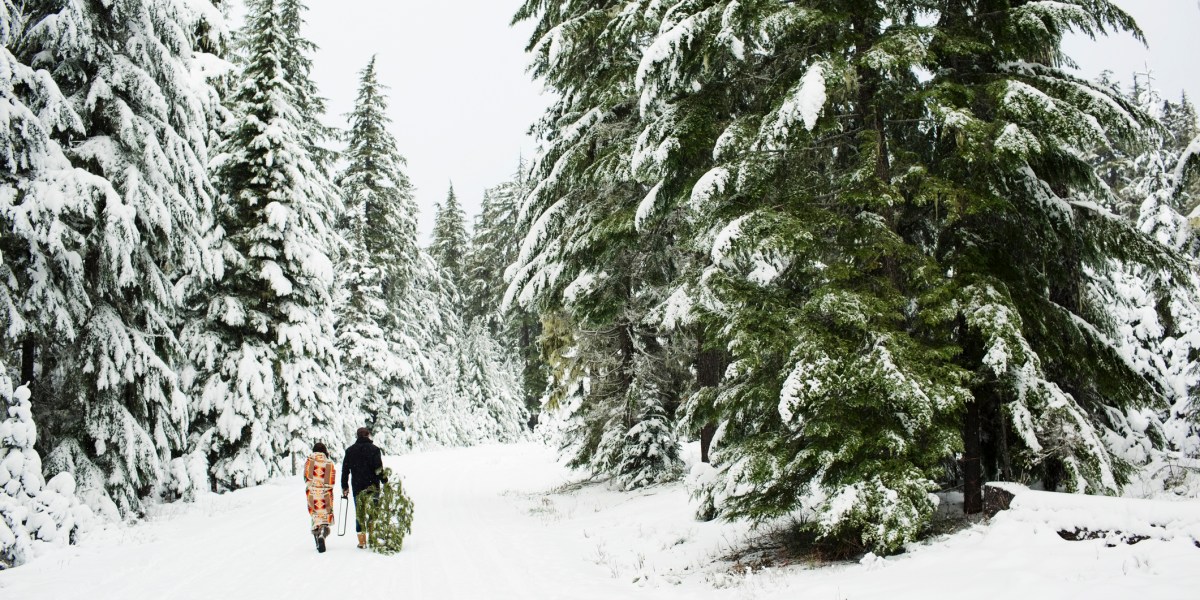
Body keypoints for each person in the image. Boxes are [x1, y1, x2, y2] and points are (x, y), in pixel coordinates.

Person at [341, 426, 387, 549]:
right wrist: (385, 481)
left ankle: (362, 542)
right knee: (373, 512)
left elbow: (345, 471)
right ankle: (372, 537)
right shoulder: (374, 449)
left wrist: (344, 486)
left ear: (357, 436)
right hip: (373, 486)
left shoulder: (350, 451)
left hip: (358, 487)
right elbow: (379, 469)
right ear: (368, 435)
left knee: (360, 513)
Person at [303, 442, 336, 553]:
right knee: (324, 516)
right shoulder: (329, 462)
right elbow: (331, 481)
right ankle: (323, 533)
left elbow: (306, 477)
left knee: (315, 516)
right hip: (325, 493)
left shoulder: (309, 461)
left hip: (312, 493)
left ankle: (317, 539)